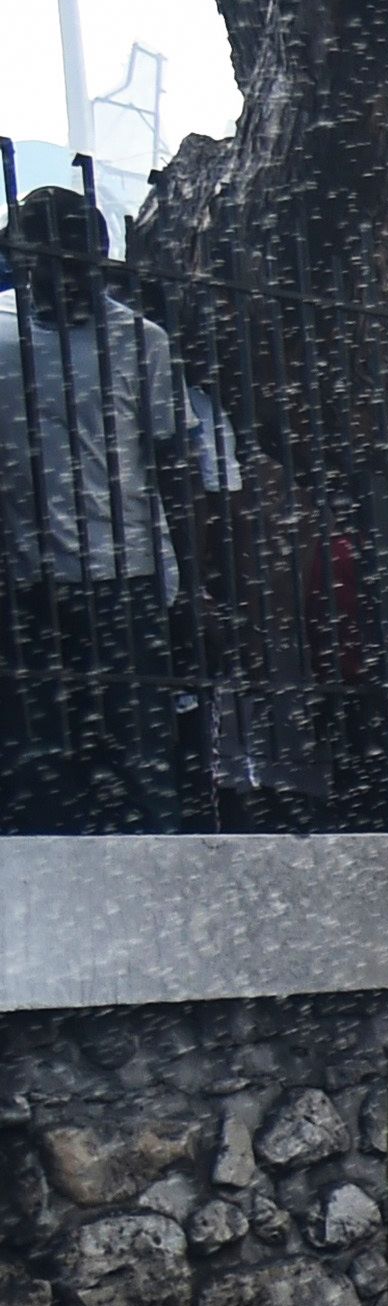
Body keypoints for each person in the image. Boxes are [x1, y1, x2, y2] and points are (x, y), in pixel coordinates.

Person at [0, 179, 235, 832]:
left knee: (135, 762)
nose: (56, 274)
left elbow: (173, 465)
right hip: (26, 587)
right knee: (37, 769)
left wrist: (192, 586)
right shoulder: (1, 333)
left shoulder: (142, 341)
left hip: (124, 581)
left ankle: (140, 887)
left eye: (72, 259)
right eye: (42, 258)